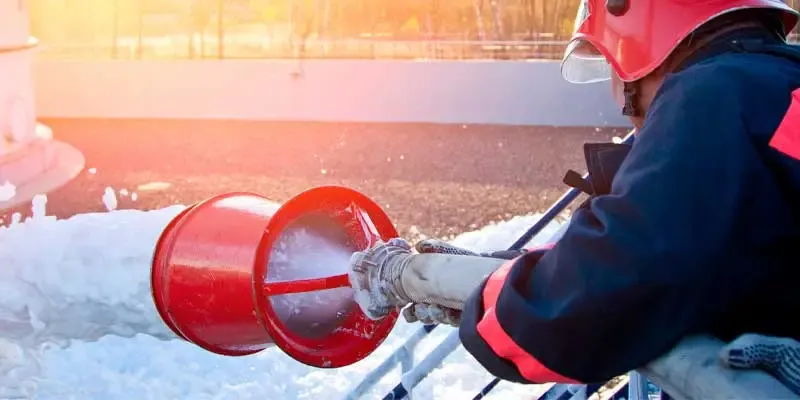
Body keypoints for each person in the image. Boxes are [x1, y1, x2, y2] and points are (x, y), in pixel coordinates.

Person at [348, 0, 800, 391]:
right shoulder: (771, 90)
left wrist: (454, 286)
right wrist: (497, 271)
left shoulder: (711, 96)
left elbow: (585, 301)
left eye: (610, 65)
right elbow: (661, 240)